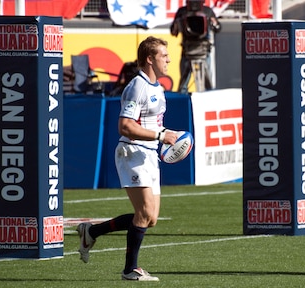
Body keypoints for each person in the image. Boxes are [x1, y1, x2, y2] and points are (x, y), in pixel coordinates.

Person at [76, 36, 178, 281]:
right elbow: (125, 126)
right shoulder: (137, 86)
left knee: (150, 218)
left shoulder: (158, 88)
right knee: (143, 213)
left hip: (150, 154)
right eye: (164, 55)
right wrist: (161, 135)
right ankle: (130, 270)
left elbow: (152, 124)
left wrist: (162, 138)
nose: (169, 59)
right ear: (150, 59)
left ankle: (92, 231)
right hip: (132, 152)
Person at [170, 0, 221, 94]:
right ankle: (183, 100)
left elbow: (217, 28)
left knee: (207, 82)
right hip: (188, 50)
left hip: (203, 50)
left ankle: (209, 101)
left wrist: (213, 22)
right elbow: (174, 31)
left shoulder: (207, 11)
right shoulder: (182, 12)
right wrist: (177, 23)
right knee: (184, 83)